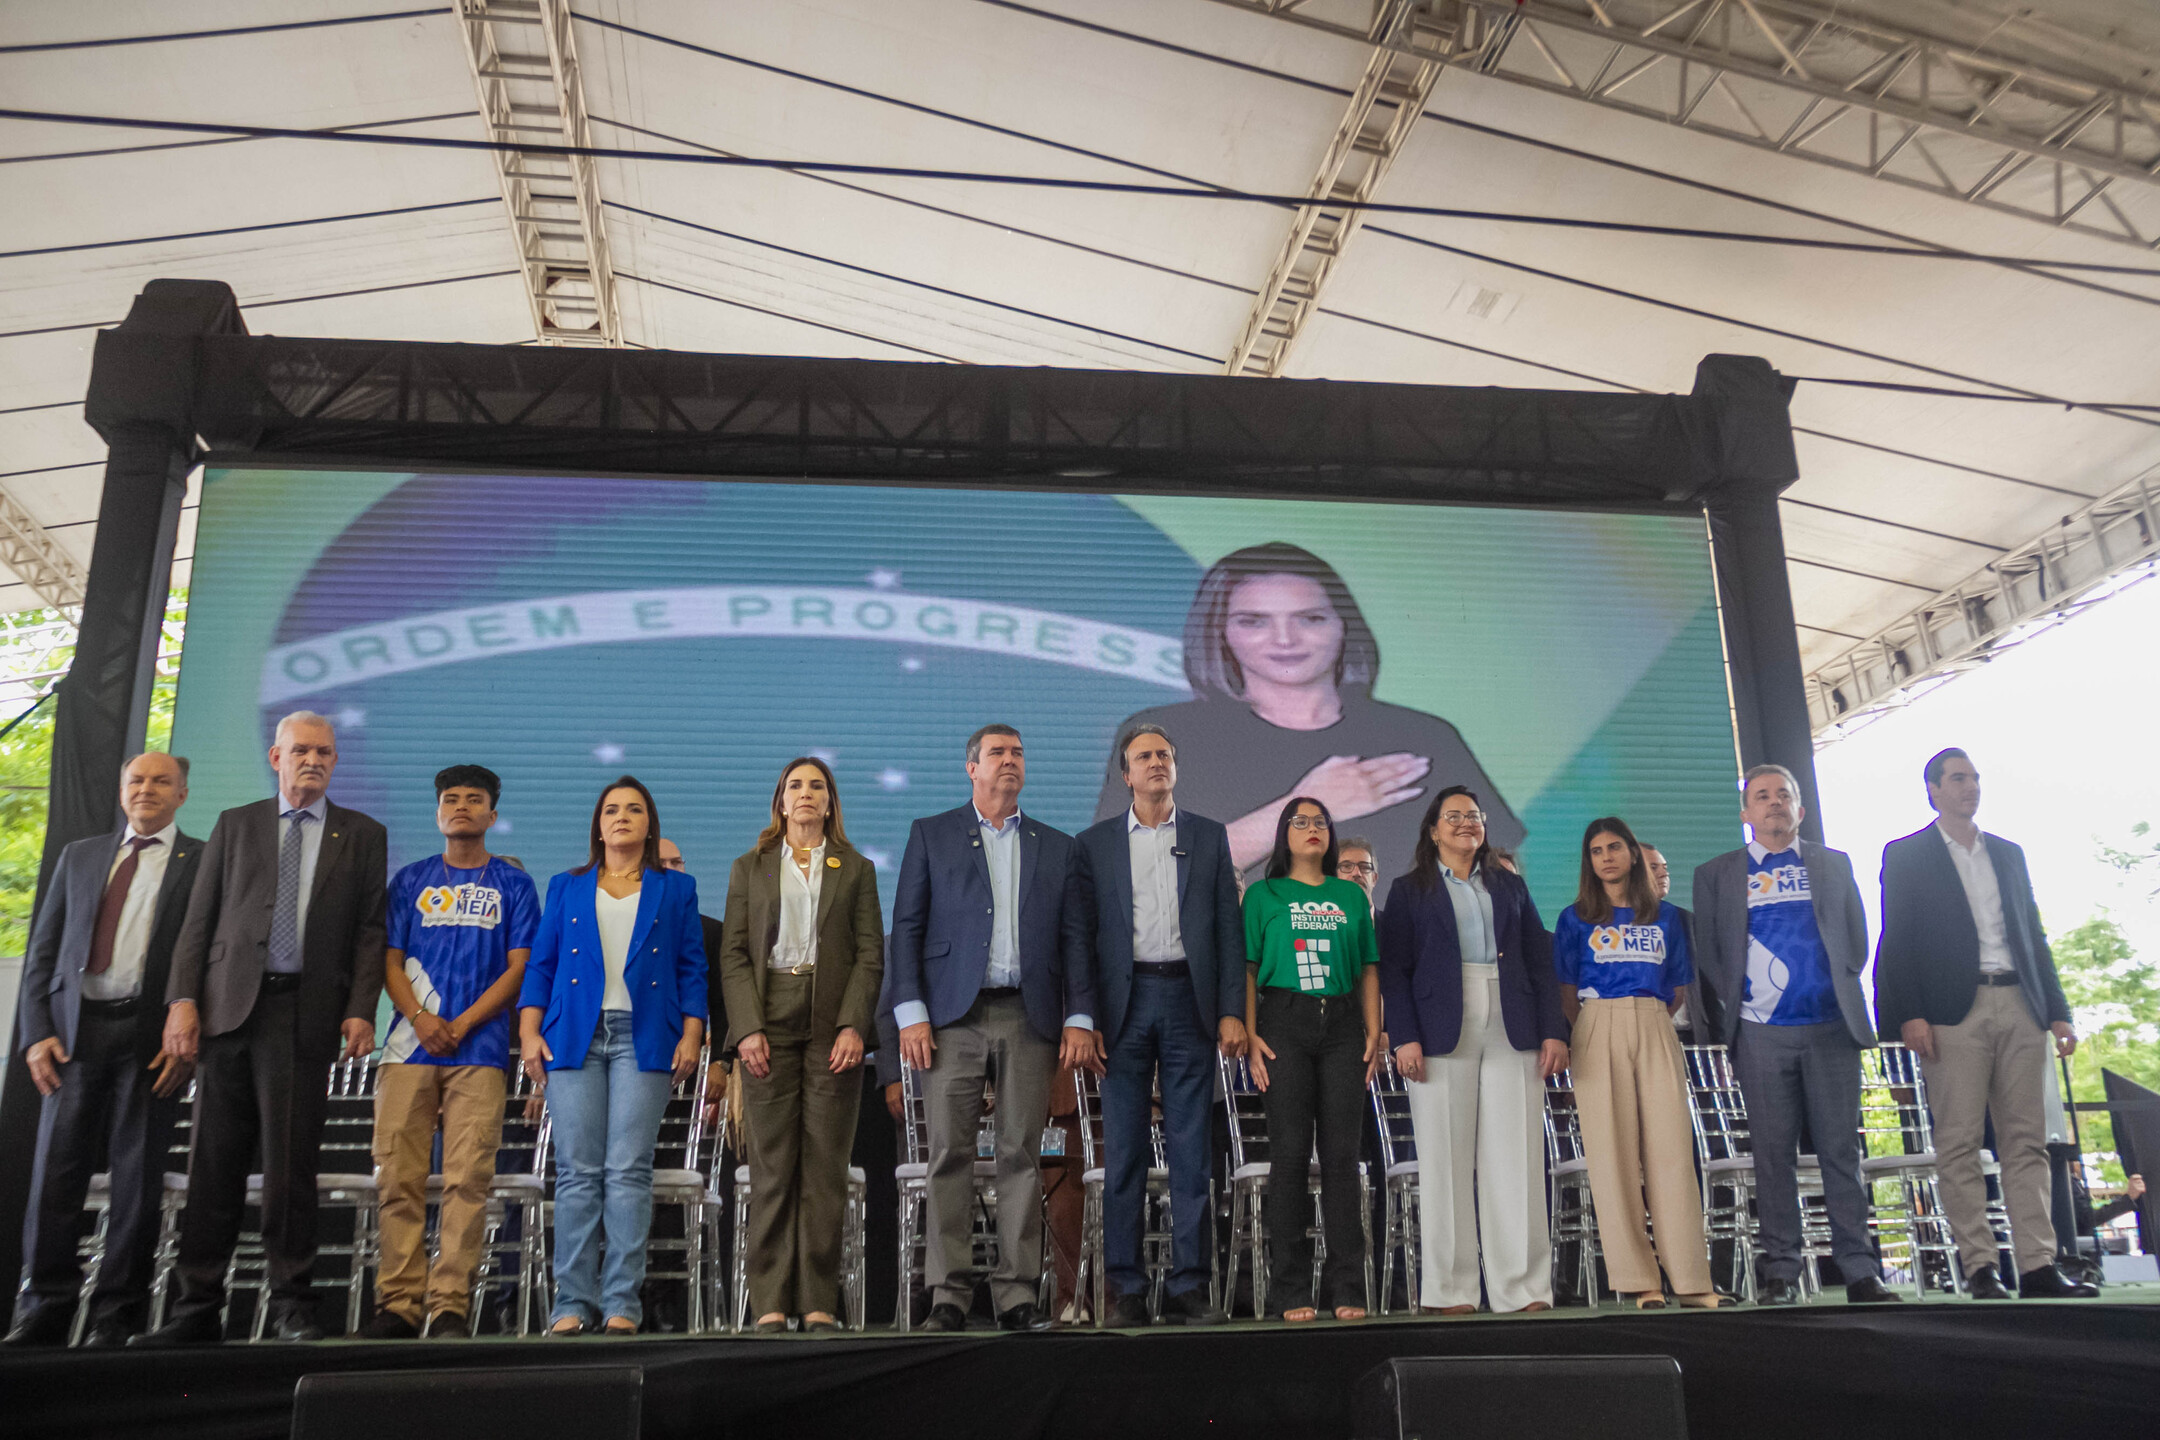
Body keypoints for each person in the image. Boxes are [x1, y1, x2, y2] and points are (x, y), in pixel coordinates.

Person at [136, 712, 387, 1345]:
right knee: (212, 1167)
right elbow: (200, 919)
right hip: (225, 1012)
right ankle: (196, 1309)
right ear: (275, 757)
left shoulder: (361, 834)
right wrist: (181, 1001)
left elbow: (368, 931)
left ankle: (293, 1306)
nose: (313, 760)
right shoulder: (236, 823)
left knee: (290, 1168)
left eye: (324, 752)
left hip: (303, 1014)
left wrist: (362, 1007)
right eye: (300, 750)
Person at [1097, 543, 1520, 878]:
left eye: (1311, 618)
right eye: (1253, 621)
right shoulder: (1163, 735)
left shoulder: (1424, 736)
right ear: (1219, 633)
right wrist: (1312, 806)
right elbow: (1137, 871)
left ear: (1342, 625)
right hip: (1237, 973)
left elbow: (1496, 869)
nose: (1285, 639)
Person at [886, 724, 1093, 1333]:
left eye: (1018, 753)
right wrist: (911, 1013)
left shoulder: (1057, 846)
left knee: (1020, 1155)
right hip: (951, 1017)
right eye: (997, 753)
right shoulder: (932, 834)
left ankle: (1016, 1296)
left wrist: (1079, 1015)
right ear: (970, 767)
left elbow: (1076, 940)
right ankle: (947, 1296)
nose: (1010, 761)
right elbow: (907, 929)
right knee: (948, 1155)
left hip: (1028, 1016)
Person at [1872, 748, 2096, 1300]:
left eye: (1974, 778)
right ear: (1933, 790)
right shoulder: (1906, 855)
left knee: (2028, 1142)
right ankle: (1980, 1268)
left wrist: (2058, 1010)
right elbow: (1895, 940)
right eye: (1957, 779)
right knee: (1960, 1143)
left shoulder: (2009, 854)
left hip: (2021, 1003)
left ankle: (2039, 1267)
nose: (1970, 787)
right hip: (1953, 1014)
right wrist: (1906, 1016)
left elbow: (2033, 934)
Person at [7, 753, 201, 1348]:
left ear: (183, 794)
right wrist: (35, 1030)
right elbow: (43, 952)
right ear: (121, 791)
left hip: (150, 1041)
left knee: (136, 1183)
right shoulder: (81, 855)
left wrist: (187, 1033)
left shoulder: (202, 858)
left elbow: (207, 954)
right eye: (136, 780)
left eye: (161, 781)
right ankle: (45, 1308)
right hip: (72, 1037)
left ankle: (117, 1314)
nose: (147, 789)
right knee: (55, 1178)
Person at [1691, 766, 1895, 1305]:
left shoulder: (1831, 863)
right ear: (1746, 813)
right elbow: (1711, 953)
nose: (1774, 803)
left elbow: (1856, 938)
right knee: (1772, 1155)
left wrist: (1832, 986)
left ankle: (1859, 1270)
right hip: (1760, 1033)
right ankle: (1780, 1270)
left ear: (1800, 809)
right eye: (1762, 796)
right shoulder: (1717, 873)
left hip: (1831, 1028)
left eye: (1784, 795)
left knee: (1839, 1152)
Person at [519, 776, 708, 1335]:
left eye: (633, 810)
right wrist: (530, 1033)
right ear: (597, 825)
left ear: (650, 824)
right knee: (578, 1173)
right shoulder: (566, 885)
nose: (621, 817)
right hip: (574, 1035)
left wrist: (692, 1034)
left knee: (628, 1170)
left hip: (644, 1036)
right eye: (610, 810)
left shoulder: (677, 889)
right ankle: (571, 1305)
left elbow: (692, 968)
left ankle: (623, 1301)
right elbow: (541, 966)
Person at [1072, 723, 1245, 1327]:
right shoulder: (1093, 845)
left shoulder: (1207, 835)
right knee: (1123, 1153)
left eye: (1164, 755)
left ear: (1175, 768)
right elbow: (1081, 940)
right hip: (1123, 1006)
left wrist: (1230, 1009)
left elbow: (1229, 928)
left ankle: (1189, 1285)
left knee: (1192, 1152)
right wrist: (1083, 1015)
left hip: (1188, 1002)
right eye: (1143, 757)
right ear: (1125, 774)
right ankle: (1126, 1287)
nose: (1155, 764)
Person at [358, 765, 538, 1339]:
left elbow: (520, 967)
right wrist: (419, 1017)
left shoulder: (513, 885)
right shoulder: (410, 880)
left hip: (480, 1050)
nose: (461, 807)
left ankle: (450, 1307)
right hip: (408, 1048)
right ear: (438, 813)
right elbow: (389, 959)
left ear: (491, 814)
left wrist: (459, 1022)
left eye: (474, 800)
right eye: (451, 799)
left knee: (467, 1180)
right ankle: (398, 1305)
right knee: (400, 1178)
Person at [1377, 786, 1567, 1315]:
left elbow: (1538, 960)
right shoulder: (1408, 889)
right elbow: (1394, 969)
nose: (1466, 824)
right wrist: (1406, 1035)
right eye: (1453, 817)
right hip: (1438, 1028)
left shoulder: (1509, 886)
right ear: (1433, 830)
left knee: (1517, 1156)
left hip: (1513, 1019)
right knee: (1445, 1159)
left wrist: (1554, 1030)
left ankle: (1523, 1288)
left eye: (1474, 816)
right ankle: (1452, 1291)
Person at [720, 757, 885, 1334]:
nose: (807, 793)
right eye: (796, 786)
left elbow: (870, 955)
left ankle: (818, 1301)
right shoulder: (751, 866)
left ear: (831, 802)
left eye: (818, 785)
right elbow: (735, 954)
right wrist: (747, 1030)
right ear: (781, 802)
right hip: (767, 1021)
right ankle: (769, 1300)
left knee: (823, 1167)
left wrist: (853, 1025)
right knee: (771, 1168)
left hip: (831, 1025)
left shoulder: (856, 868)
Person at [1554, 816, 1718, 1309]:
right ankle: (1640, 1281)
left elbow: (1678, 988)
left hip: (1654, 1023)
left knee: (1671, 1153)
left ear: (1632, 854)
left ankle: (1691, 1280)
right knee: (1613, 1158)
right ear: (1589, 861)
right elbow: (1565, 992)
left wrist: (1644, 1018)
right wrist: (1598, 1024)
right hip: (1596, 1025)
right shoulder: (1574, 918)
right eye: (1597, 850)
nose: (1606, 857)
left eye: (1615, 847)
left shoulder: (1665, 916)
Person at [1243, 795, 1381, 1322]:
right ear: (1284, 834)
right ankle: (1292, 1290)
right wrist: (1252, 1035)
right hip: (1284, 1021)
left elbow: (1369, 966)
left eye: (1320, 822)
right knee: (1292, 1156)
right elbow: (1249, 969)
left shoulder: (1350, 896)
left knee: (1343, 1158)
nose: (1312, 829)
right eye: (1300, 822)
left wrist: (1373, 1031)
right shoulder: (1263, 895)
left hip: (1344, 1024)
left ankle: (1348, 1286)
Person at [1640, 843, 1696, 1040]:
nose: (1664, 874)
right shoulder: (1604, 924)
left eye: (1665, 868)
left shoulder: (1685, 920)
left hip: (1687, 1037)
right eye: (1653, 867)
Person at [1337, 837, 1380, 913]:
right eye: (1347, 866)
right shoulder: (1321, 924)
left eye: (1364, 867)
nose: (1356, 873)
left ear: (1374, 879)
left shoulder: (1394, 924)